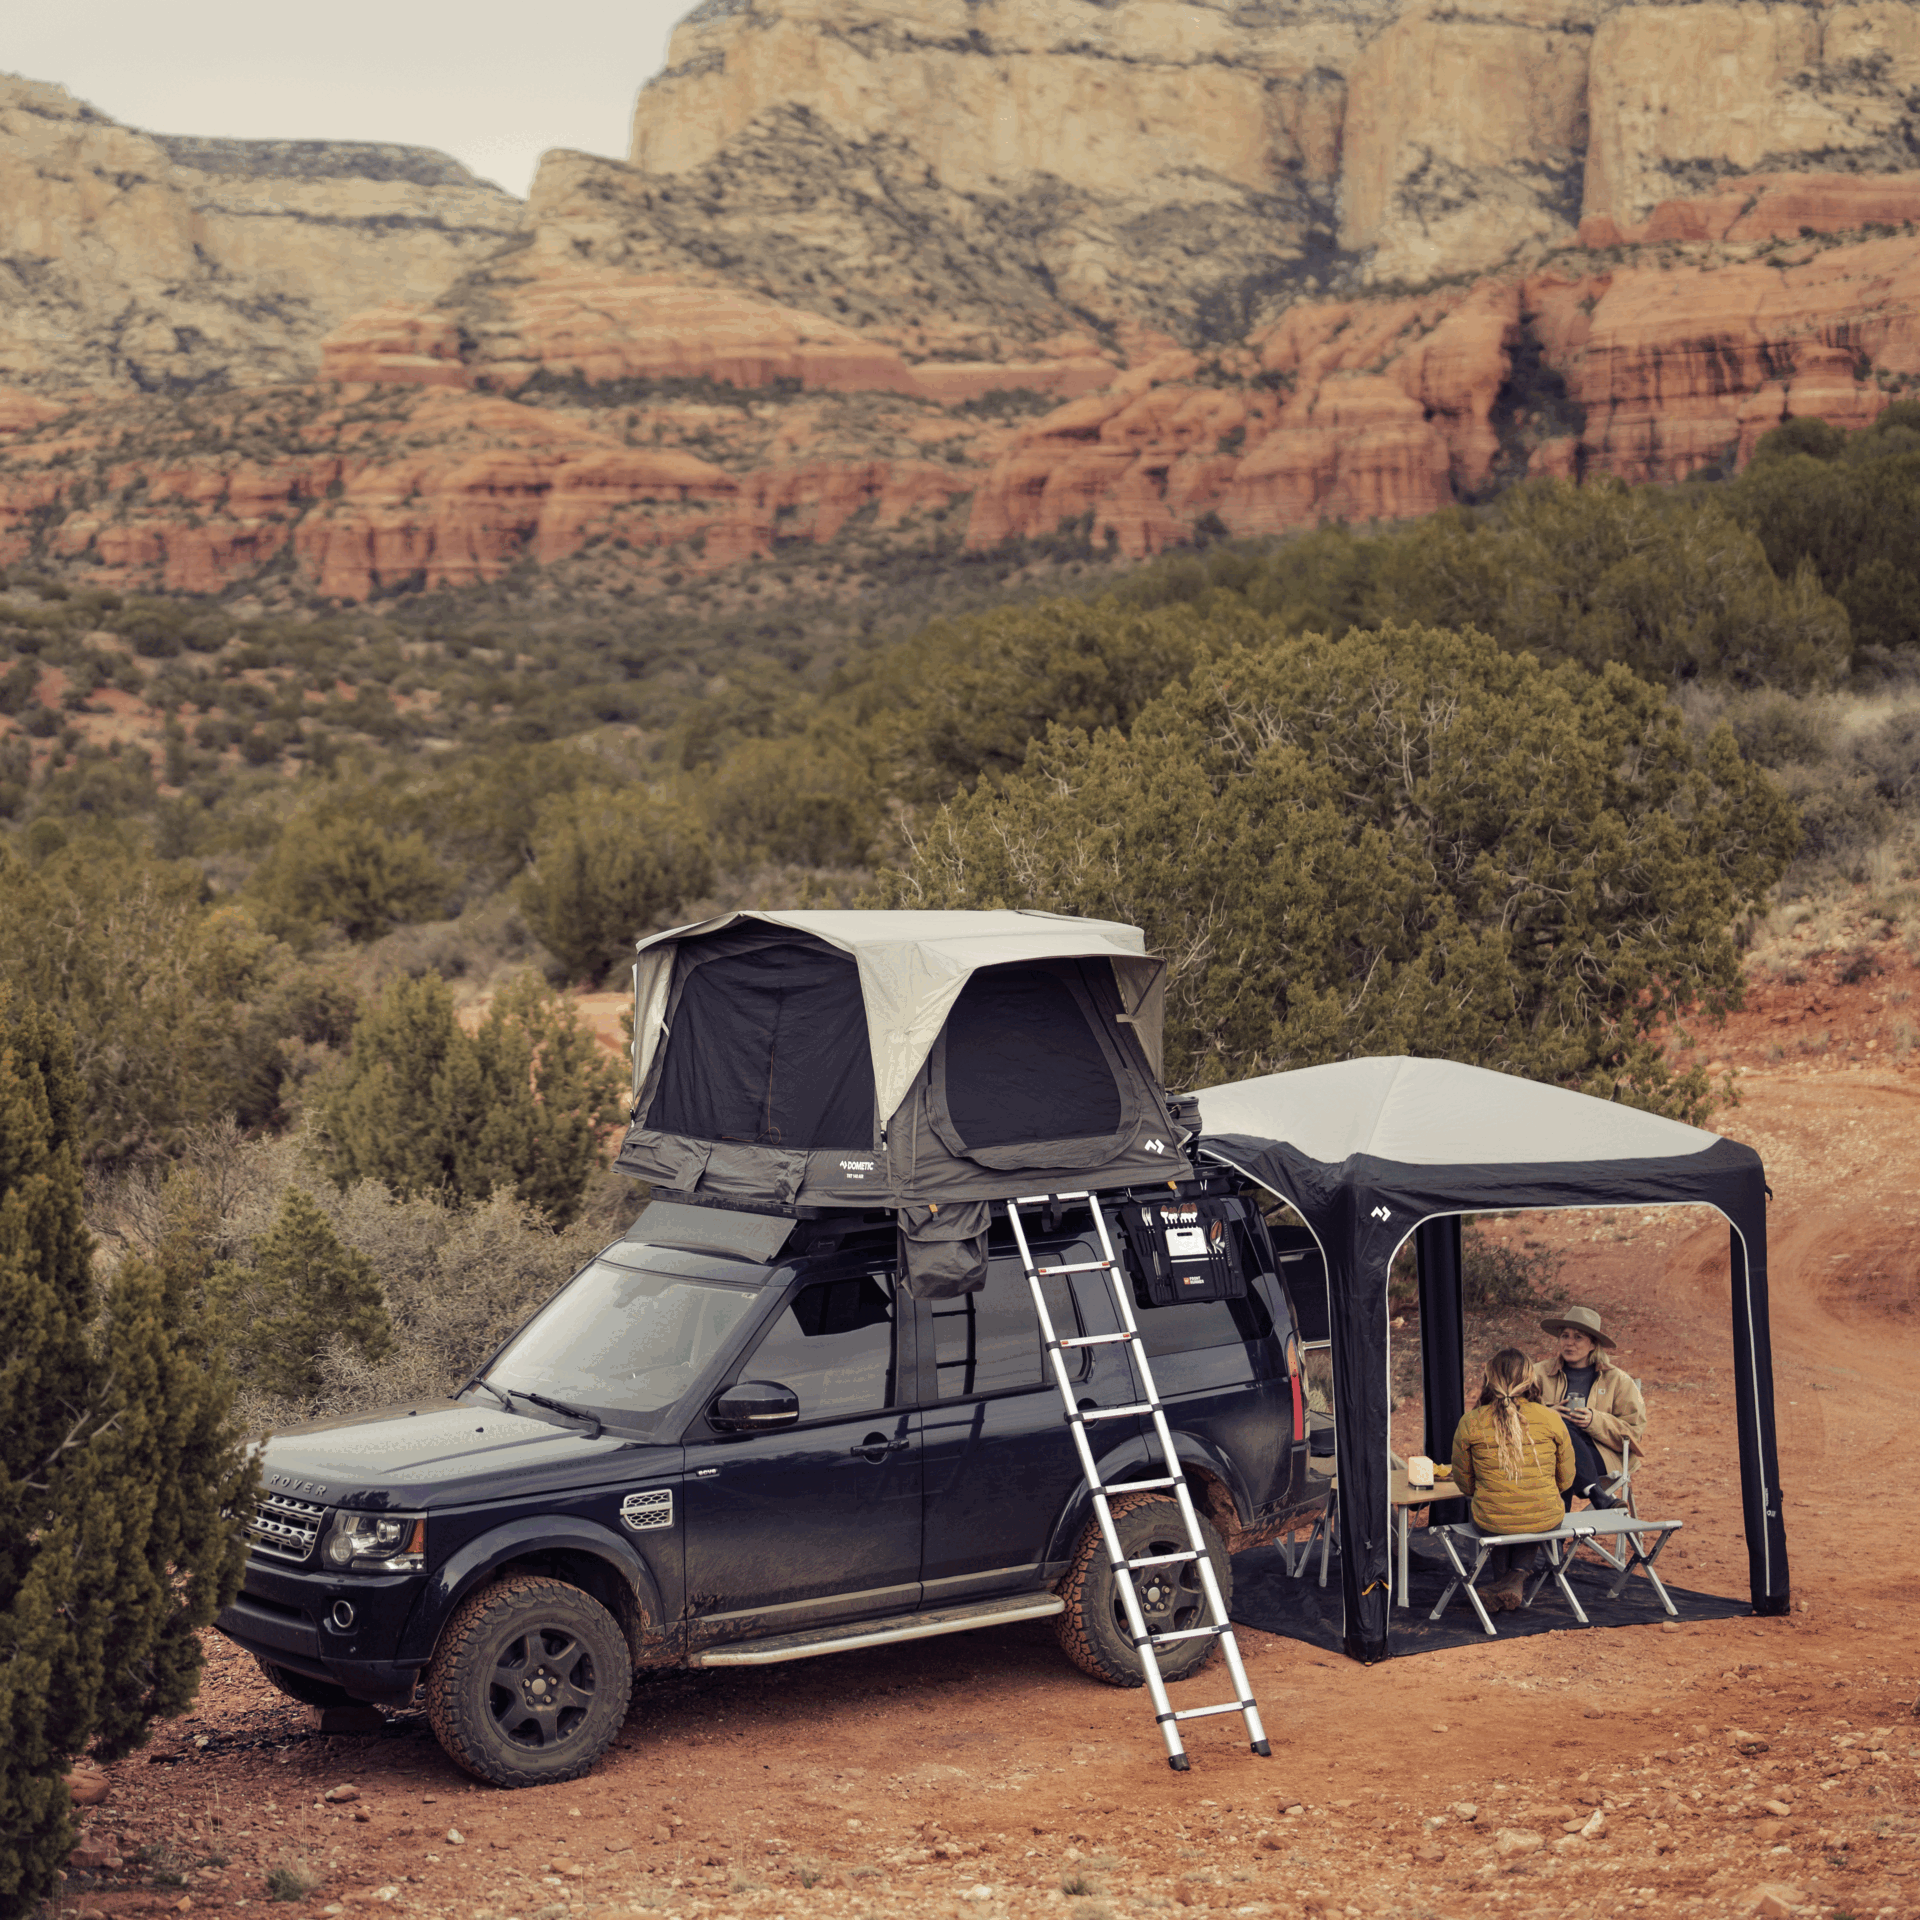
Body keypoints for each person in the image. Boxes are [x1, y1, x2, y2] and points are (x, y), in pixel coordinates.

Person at [1450, 1347, 1574, 1612]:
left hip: (1491, 1519)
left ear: (1490, 1379)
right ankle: (1514, 1581)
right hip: (1544, 1516)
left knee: (1500, 1514)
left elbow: (1463, 1481)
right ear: (1530, 1379)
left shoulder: (1470, 1422)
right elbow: (1566, 1479)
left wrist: (1487, 1491)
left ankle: (1504, 1585)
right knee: (1532, 1513)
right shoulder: (1551, 1419)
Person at [1534, 1306, 1647, 1510]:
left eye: (1578, 1337)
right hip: (1547, 1451)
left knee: (1560, 1458)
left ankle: (1554, 1539)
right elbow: (1515, 1411)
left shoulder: (1617, 1380)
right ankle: (1597, 1495)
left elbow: (1634, 1433)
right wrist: (1547, 1413)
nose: (1569, 1343)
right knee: (1560, 1447)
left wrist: (1594, 1420)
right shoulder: (1538, 1374)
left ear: (1593, 1344)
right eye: (1565, 1336)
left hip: (1600, 1454)